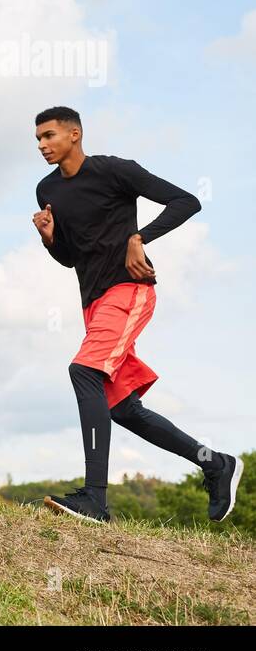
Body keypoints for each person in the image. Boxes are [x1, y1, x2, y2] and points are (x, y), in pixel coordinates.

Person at [32, 105, 242, 523]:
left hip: (128, 292)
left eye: (50, 136)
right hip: (93, 303)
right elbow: (72, 258)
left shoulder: (115, 171)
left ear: (75, 134)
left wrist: (139, 237)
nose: (42, 145)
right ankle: (215, 463)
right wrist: (50, 240)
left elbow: (187, 200)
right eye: (38, 139)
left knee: (84, 372)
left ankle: (95, 499)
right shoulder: (47, 190)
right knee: (122, 409)